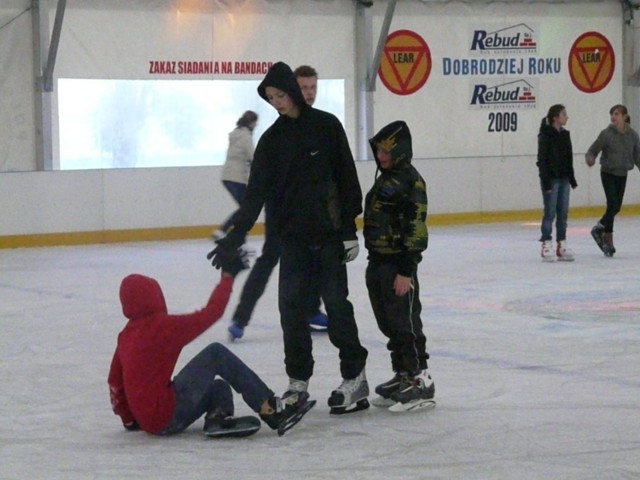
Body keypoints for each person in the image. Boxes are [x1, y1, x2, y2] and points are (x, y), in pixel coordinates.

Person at [209, 61, 369, 414]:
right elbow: (255, 195)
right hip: (292, 241)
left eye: (280, 94)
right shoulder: (271, 141)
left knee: (337, 307)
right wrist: (235, 234)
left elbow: (346, 180)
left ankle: (355, 377)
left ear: (293, 91)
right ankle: (298, 382)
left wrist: (348, 231)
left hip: (328, 238)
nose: (277, 102)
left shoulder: (327, 127)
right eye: (271, 97)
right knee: (292, 312)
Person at [107, 250, 312, 438]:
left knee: (218, 388)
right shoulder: (163, 327)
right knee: (216, 354)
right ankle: (270, 408)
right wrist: (228, 276)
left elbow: (115, 383)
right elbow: (212, 312)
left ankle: (218, 419)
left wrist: (129, 419)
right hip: (165, 415)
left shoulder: (125, 335)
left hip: (147, 419)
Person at [226, 65, 326, 341]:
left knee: (317, 258)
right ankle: (240, 317)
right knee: (270, 259)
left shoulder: (322, 126)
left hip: (311, 214)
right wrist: (238, 231)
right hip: (281, 213)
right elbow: (259, 187)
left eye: (312, 88)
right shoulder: (274, 136)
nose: (308, 93)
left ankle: (312, 310)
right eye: (303, 88)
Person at [364, 121, 435, 410]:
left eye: (386, 150)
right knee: (388, 322)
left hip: (397, 265)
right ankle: (402, 373)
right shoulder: (387, 177)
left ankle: (419, 380)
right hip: (378, 261)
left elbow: (416, 228)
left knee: (405, 322)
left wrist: (406, 270)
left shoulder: (411, 181)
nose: (381, 156)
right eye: (379, 149)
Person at [586, 104, 640, 257]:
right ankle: (607, 237)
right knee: (613, 204)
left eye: (616, 114)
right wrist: (590, 158)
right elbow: (593, 150)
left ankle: (600, 228)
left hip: (622, 173)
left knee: (616, 207)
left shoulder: (633, 136)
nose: (613, 117)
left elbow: (638, 156)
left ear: (624, 116)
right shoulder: (606, 134)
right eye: (612, 114)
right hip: (608, 173)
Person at [536, 104, 577, 262]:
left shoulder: (565, 135)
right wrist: (546, 183)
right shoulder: (545, 136)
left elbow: (569, 158)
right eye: (563, 114)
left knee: (563, 213)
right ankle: (546, 243)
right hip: (551, 180)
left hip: (564, 178)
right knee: (550, 213)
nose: (566, 117)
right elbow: (543, 161)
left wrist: (571, 178)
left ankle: (562, 244)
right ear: (555, 117)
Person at [214, 110, 258, 242]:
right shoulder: (245, 137)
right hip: (236, 176)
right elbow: (253, 157)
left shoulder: (235, 134)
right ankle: (225, 230)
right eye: (255, 123)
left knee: (245, 208)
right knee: (247, 208)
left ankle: (238, 234)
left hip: (227, 175)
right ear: (251, 123)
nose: (256, 126)